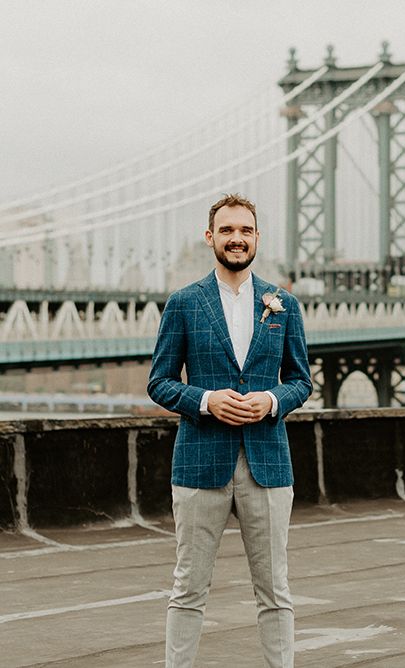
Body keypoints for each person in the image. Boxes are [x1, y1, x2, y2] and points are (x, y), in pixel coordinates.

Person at [148, 193, 312, 668]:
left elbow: (301, 381)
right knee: (188, 588)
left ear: (257, 238)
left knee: (275, 590)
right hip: (200, 462)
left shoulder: (285, 306)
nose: (236, 238)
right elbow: (158, 382)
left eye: (245, 230)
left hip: (268, 465)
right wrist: (205, 400)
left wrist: (271, 400)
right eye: (226, 230)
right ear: (210, 237)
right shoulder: (183, 303)